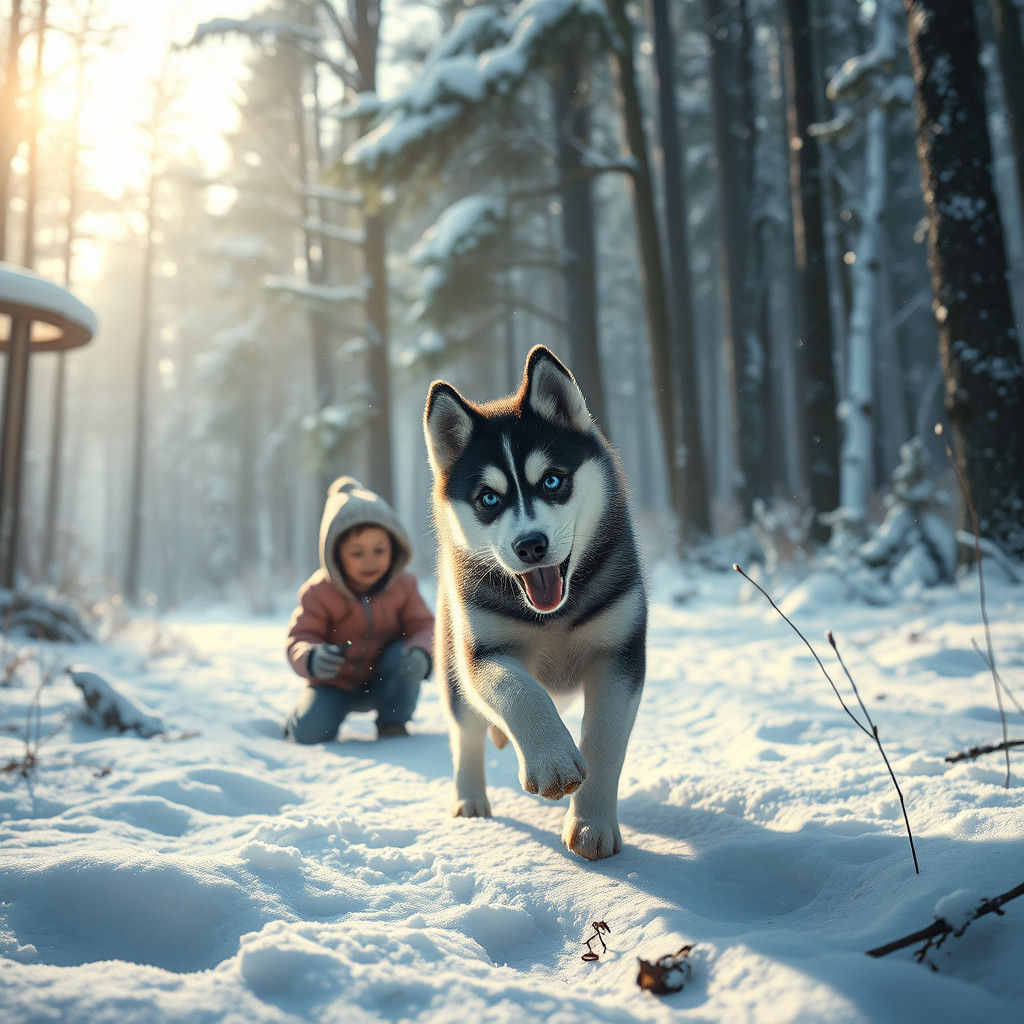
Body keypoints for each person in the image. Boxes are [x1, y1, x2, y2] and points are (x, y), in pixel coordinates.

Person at [284, 477, 434, 743]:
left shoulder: (403, 586)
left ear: (394, 548)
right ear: (335, 554)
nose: (370, 561)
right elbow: (300, 637)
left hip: (385, 682)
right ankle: (298, 720)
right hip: (333, 684)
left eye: (379, 550)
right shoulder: (318, 592)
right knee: (308, 733)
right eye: (357, 553)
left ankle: (393, 723)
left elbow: (425, 627)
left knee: (405, 653)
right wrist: (311, 657)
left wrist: (423, 653)